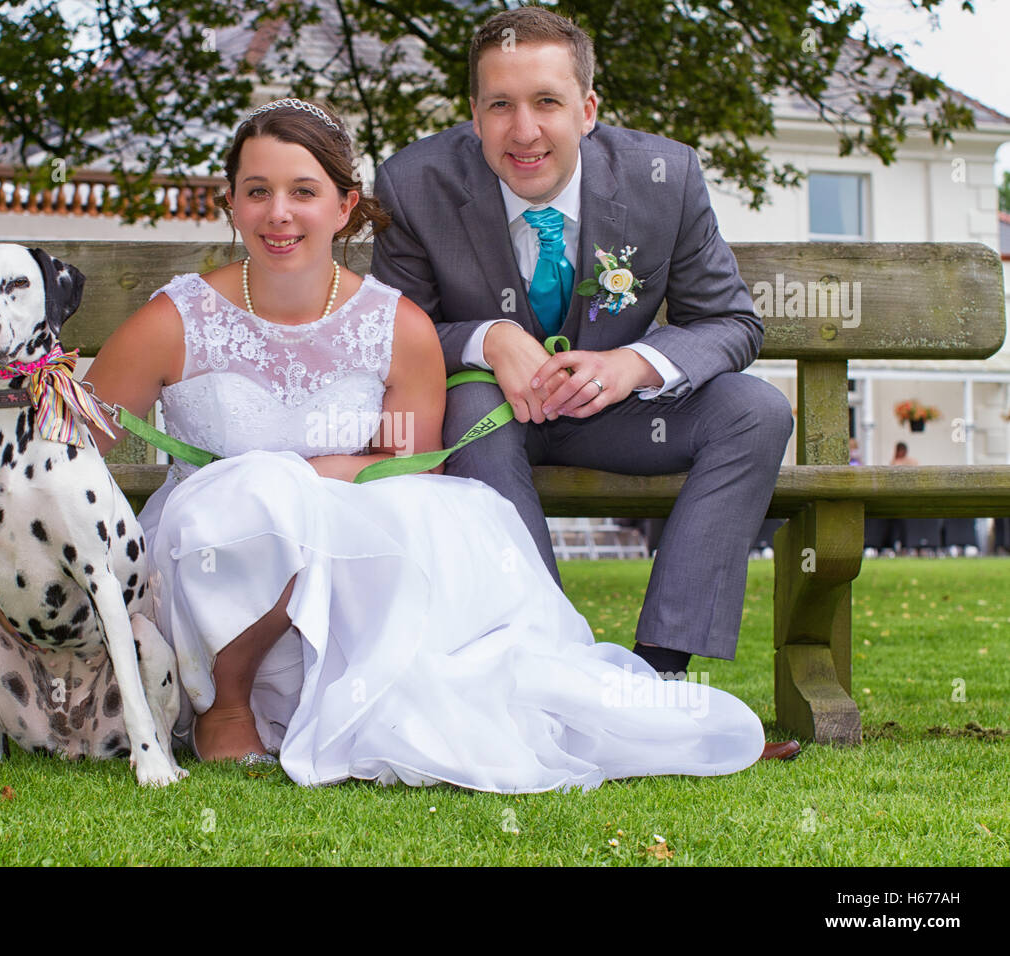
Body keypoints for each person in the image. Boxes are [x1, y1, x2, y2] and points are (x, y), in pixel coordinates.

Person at [78, 97, 779, 793]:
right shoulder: (177, 318)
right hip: (210, 552)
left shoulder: (393, 325)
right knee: (251, 496)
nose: (279, 214)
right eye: (256, 192)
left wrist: (303, 475)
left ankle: (438, 690)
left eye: (303, 191)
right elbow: (76, 439)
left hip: (338, 546)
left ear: (346, 205)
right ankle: (225, 706)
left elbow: (409, 461)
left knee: (418, 522)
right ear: (231, 203)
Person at [371, 8, 794, 683]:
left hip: (621, 418)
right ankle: (548, 663)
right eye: (501, 106)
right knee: (473, 401)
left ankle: (659, 671)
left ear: (587, 108)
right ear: (474, 115)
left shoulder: (667, 177)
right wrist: (488, 338)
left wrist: (634, 364)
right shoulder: (413, 183)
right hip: (487, 423)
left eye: (547, 102)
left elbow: (731, 323)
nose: (525, 130)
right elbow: (392, 333)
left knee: (757, 412)